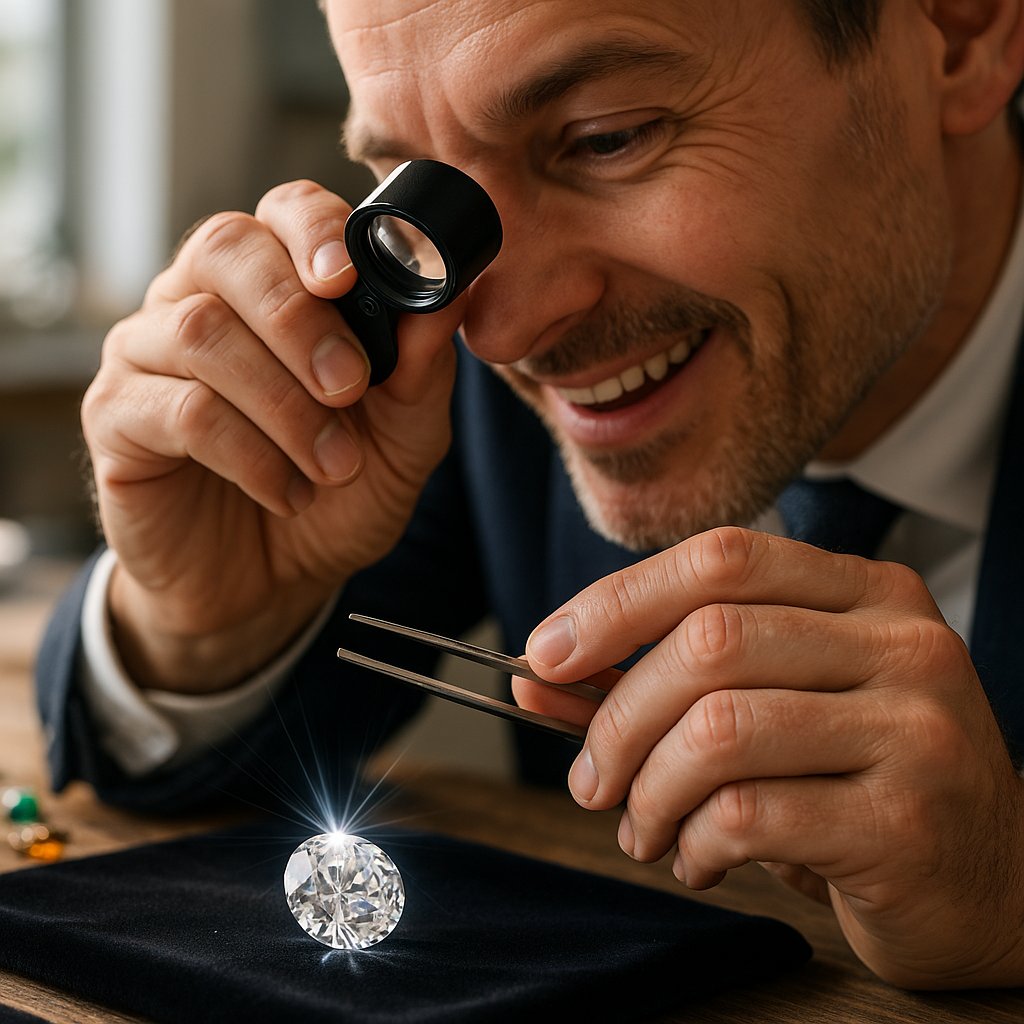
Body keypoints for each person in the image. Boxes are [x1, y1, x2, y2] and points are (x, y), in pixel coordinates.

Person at [35, 0, 1024, 990]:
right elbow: (195, 788)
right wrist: (197, 626)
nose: (501, 334)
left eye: (607, 139)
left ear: (958, 32)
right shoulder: (446, 379)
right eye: (410, 180)